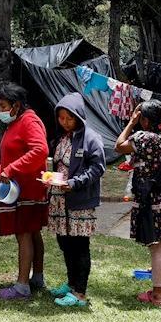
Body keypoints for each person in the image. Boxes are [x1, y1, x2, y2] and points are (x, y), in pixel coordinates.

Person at [116, 100, 161, 306]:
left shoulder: (143, 137)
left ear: (145, 120)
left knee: (156, 247)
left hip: (151, 201)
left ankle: (157, 294)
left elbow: (119, 146)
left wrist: (130, 123)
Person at [43, 93, 105, 308]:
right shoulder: (62, 137)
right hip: (59, 200)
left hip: (79, 200)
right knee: (65, 244)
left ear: (79, 115)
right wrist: (50, 180)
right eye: (61, 118)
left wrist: (75, 182)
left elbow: (98, 168)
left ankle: (80, 294)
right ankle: (70, 285)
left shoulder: (90, 137)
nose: (65, 122)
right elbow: (60, 166)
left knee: (79, 246)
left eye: (69, 118)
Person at [0, 83, 50, 300]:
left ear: (16, 105)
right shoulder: (17, 122)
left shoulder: (29, 121)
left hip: (27, 188)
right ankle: (37, 277)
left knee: (24, 233)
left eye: (3, 105)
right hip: (22, 186)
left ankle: (22, 286)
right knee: (32, 232)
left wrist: (11, 168)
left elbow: (41, 150)